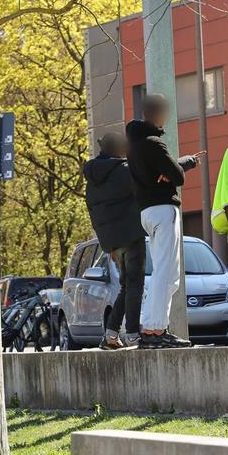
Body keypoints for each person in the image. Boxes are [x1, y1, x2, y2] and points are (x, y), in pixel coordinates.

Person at [126, 94, 205, 349]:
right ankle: (155, 330)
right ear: (159, 114)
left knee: (162, 271)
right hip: (163, 210)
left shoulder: (134, 145)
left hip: (147, 213)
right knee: (167, 273)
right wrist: (176, 169)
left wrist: (177, 166)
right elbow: (178, 177)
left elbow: (171, 171)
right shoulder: (154, 144)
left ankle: (152, 327)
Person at [83, 132, 145, 350]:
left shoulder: (92, 180)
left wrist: (107, 243)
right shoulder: (124, 171)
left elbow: (94, 212)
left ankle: (111, 334)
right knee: (135, 285)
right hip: (131, 234)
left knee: (126, 286)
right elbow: (148, 182)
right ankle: (133, 334)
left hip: (112, 241)